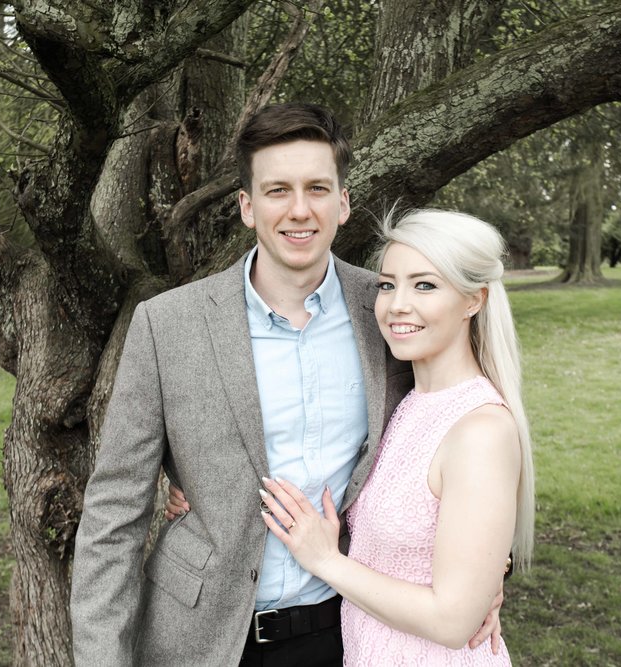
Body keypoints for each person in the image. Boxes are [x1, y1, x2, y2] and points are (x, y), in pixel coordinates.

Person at [70, 103, 501, 667]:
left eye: (318, 188)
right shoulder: (166, 325)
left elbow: (463, 436)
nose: (300, 210)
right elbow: (113, 514)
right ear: (247, 206)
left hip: (347, 628)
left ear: (343, 202)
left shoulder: (393, 311)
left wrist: (488, 573)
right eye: (278, 191)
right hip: (200, 636)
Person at [257, 209, 535, 665]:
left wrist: (326, 561)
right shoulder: (401, 404)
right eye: (387, 285)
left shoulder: (480, 430)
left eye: (424, 285)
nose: (396, 304)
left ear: (474, 300)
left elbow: (452, 622)